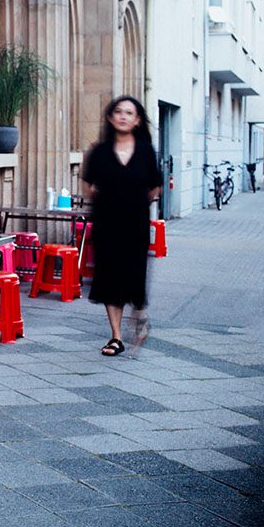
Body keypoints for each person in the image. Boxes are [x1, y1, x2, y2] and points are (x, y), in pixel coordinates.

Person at [81, 96, 162, 356]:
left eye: (129, 112)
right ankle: (116, 337)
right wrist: (107, 202)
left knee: (134, 273)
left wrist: (135, 202)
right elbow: (88, 185)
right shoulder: (100, 152)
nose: (123, 116)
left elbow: (155, 187)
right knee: (109, 276)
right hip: (106, 223)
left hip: (135, 224)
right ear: (110, 117)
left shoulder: (146, 151)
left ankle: (140, 311)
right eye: (119, 112)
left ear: (137, 120)